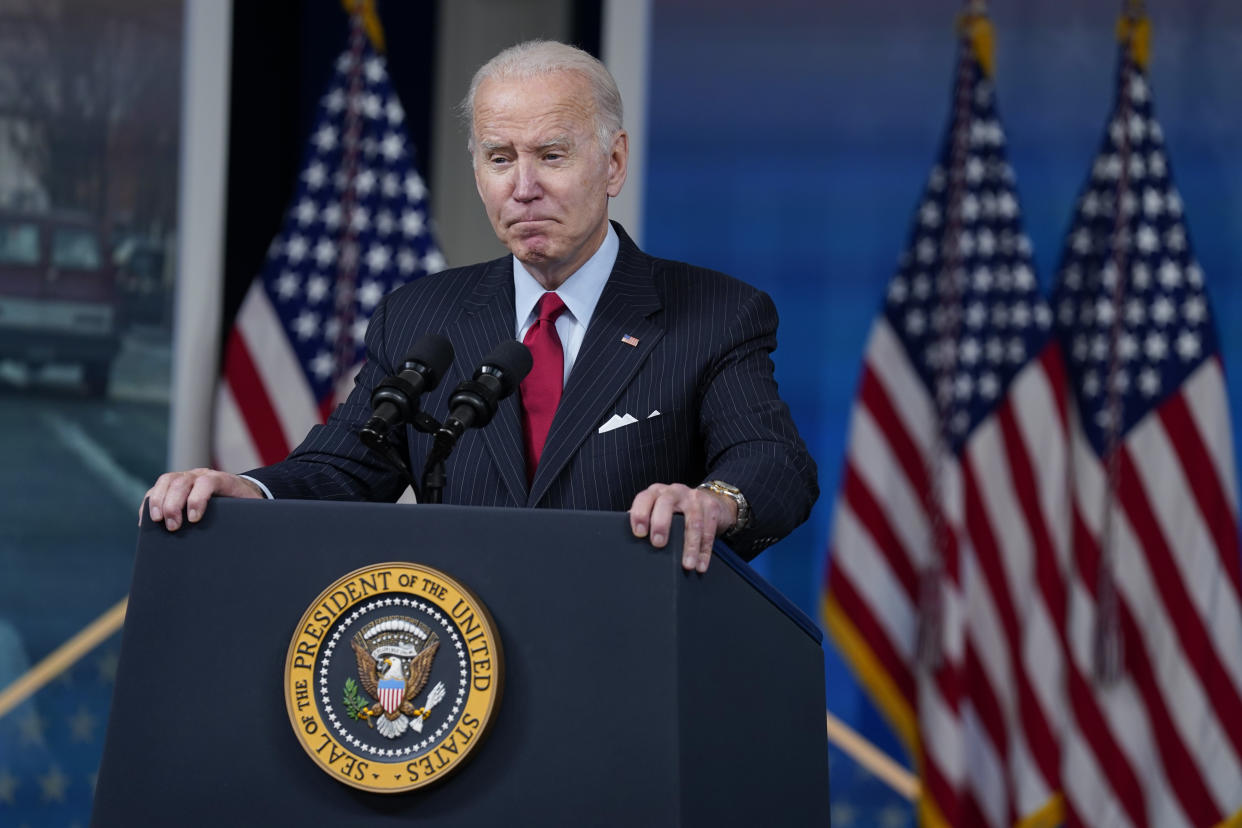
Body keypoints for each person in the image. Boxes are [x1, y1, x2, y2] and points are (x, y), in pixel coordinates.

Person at [143, 40, 818, 573]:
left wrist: (712, 502)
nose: (523, 187)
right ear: (477, 172)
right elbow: (347, 465)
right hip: (462, 682)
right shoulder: (420, 315)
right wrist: (250, 493)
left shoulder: (713, 313)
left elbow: (774, 460)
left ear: (613, 163)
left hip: (630, 666)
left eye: (551, 155)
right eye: (500, 158)